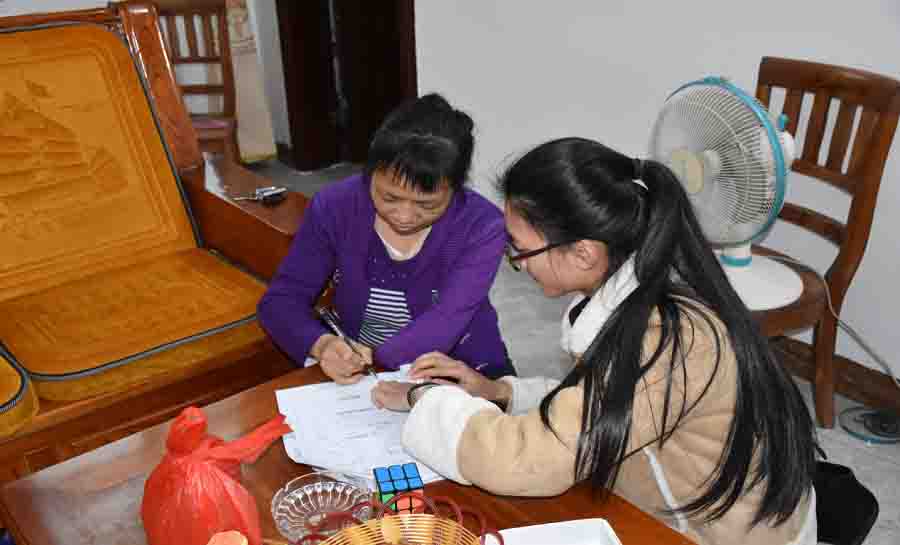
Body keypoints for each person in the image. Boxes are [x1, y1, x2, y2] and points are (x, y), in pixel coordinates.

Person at [372, 138, 819, 545]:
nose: (517, 263)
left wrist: (425, 399)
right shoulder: (636, 288)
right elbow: (597, 402)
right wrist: (501, 393)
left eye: (520, 249)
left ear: (583, 253)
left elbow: (528, 460)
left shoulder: (667, 338)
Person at [258, 93, 514, 384]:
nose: (404, 216)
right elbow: (281, 300)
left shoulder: (481, 226)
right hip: (362, 364)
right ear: (369, 174)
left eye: (427, 205)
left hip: (461, 362)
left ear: (456, 189)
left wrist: (376, 364)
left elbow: (446, 319)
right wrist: (323, 345)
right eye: (389, 197)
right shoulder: (336, 206)